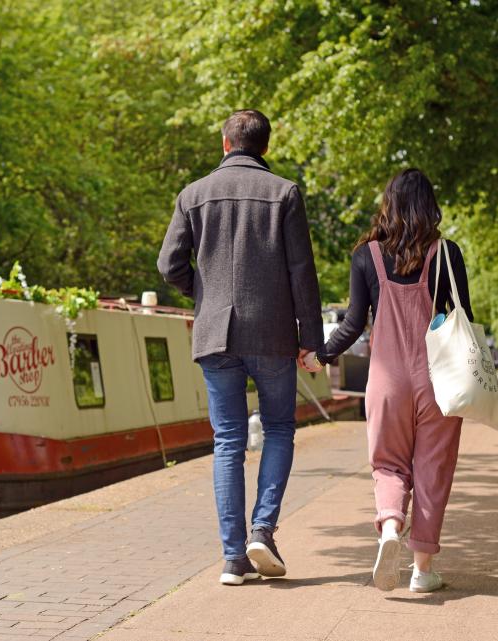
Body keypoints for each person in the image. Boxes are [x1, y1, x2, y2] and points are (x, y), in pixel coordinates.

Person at [157, 109, 323, 586]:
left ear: (225, 144)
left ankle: (233, 558)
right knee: (278, 430)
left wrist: (204, 297)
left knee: (228, 441)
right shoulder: (284, 193)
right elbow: (301, 274)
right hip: (271, 333)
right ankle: (262, 531)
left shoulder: (193, 195)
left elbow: (170, 265)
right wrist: (311, 340)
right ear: (265, 148)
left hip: (214, 336)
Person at [314, 168, 473, 593]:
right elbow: (464, 320)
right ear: (429, 205)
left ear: (389, 204)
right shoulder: (447, 253)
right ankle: (422, 570)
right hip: (439, 380)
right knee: (432, 470)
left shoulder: (366, 256)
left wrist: (320, 354)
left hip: (385, 381)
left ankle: (389, 528)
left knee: (388, 464)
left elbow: (352, 323)